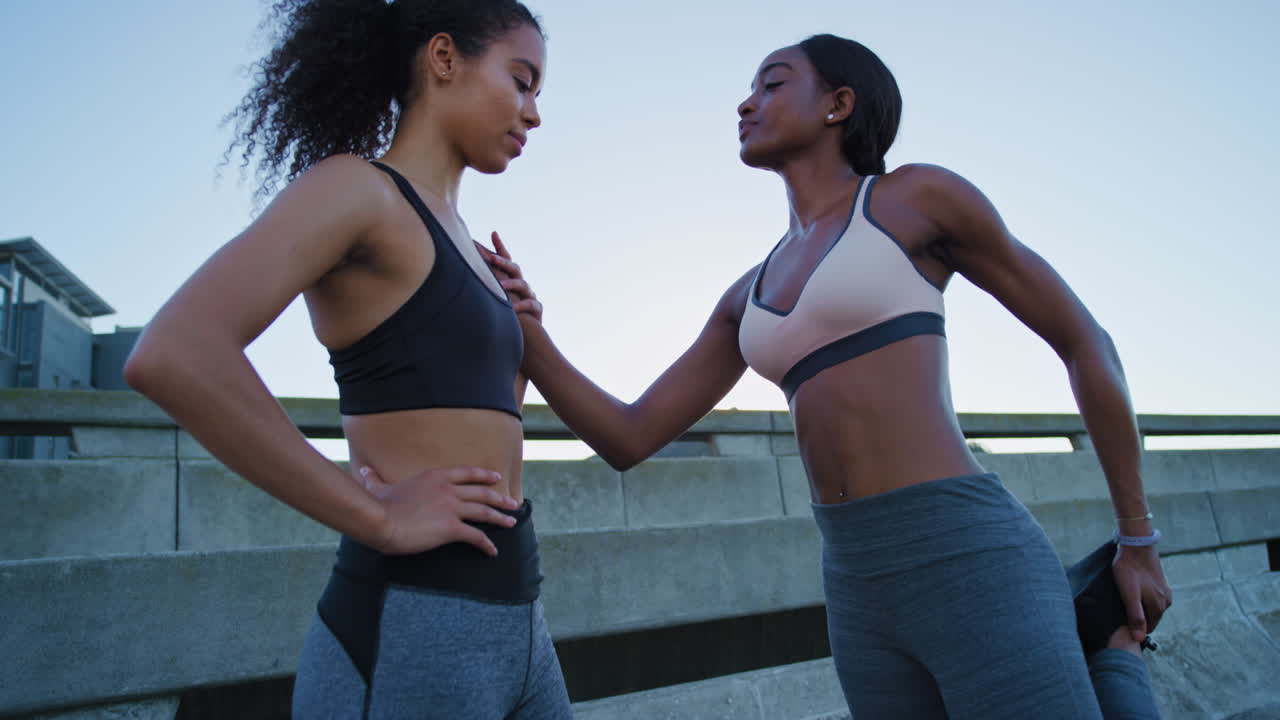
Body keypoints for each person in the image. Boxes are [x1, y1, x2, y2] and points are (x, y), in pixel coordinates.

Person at [478, 33, 1171, 719]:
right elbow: (628, 436)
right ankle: (1109, 658)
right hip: (855, 586)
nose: (746, 104)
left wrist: (1137, 540)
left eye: (772, 84)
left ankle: (1114, 655)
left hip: (966, 549)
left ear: (839, 105)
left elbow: (1085, 342)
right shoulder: (746, 293)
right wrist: (528, 332)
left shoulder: (914, 199)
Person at [123, 1, 572, 717]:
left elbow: (465, 413)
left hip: (521, 621)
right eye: (522, 81)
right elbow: (173, 351)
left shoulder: (477, 250)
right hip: (413, 626)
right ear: (445, 58)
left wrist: (524, 331)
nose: (534, 113)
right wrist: (376, 515)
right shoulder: (358, 191)